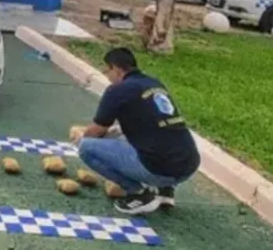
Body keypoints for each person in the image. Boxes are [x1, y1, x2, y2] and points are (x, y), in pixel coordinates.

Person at [75, 47, 201, 215]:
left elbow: (97, 131)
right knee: (158, 133)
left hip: (158, 169)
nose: (107, 75)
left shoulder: (117, 90)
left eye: (107, 70)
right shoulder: (155, 84)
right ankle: (165, 191)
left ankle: (138, 194)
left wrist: (80, 137)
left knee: (86, 147)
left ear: (117, 69)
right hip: (189, 165)